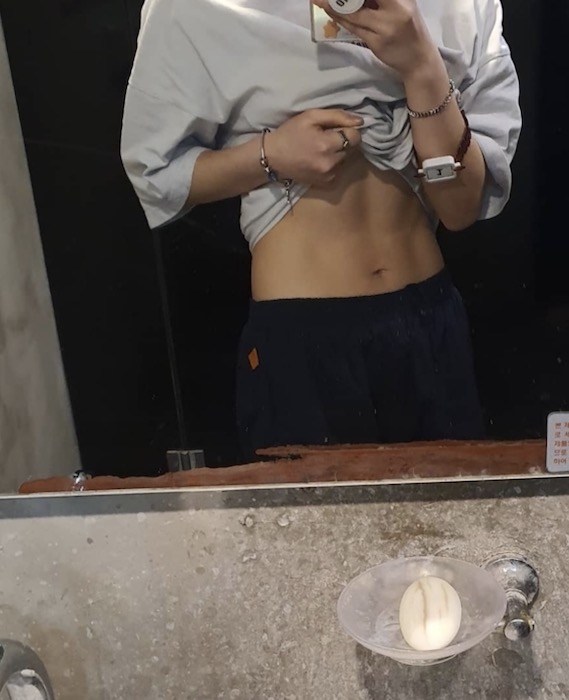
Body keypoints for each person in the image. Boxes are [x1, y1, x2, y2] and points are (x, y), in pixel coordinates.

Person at [120, 0, 522, 460]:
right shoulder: (198, 9)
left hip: (429, 317)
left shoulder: (461, 9)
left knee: (451, 506)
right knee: (310, 509)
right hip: (300, 334)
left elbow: (459, 209)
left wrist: (422, 66)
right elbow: (156, 173)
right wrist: (271, 155)